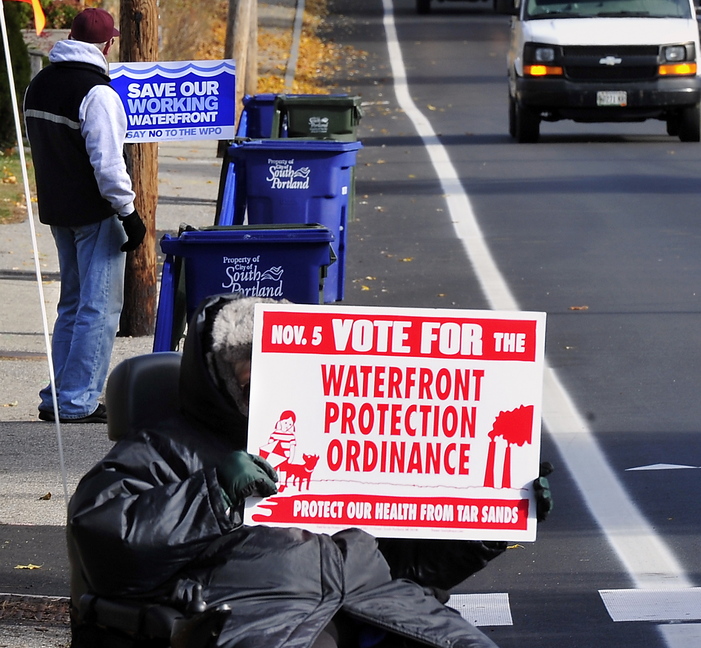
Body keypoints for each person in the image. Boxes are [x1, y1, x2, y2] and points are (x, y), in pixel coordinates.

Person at [67, 293, 517, 648]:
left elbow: (402, 562)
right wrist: (213, 495)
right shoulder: (166, 447)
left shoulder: (348, 437)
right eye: (253, 368)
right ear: (223, 374)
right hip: (263, 613)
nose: (271, 381)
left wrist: (491, 513)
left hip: (378, 604)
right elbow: (103, 539)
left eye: (284, 367)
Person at [24, 8, 146, 424]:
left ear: (71, 35)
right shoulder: (98, 94)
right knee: (100, 307)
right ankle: (77, 400)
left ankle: (56, 395)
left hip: (58, 209)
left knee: (73, 305)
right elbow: (109, 165)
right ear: (108, 43)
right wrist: (128, 212)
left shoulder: (38, 84)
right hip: (96, 211)